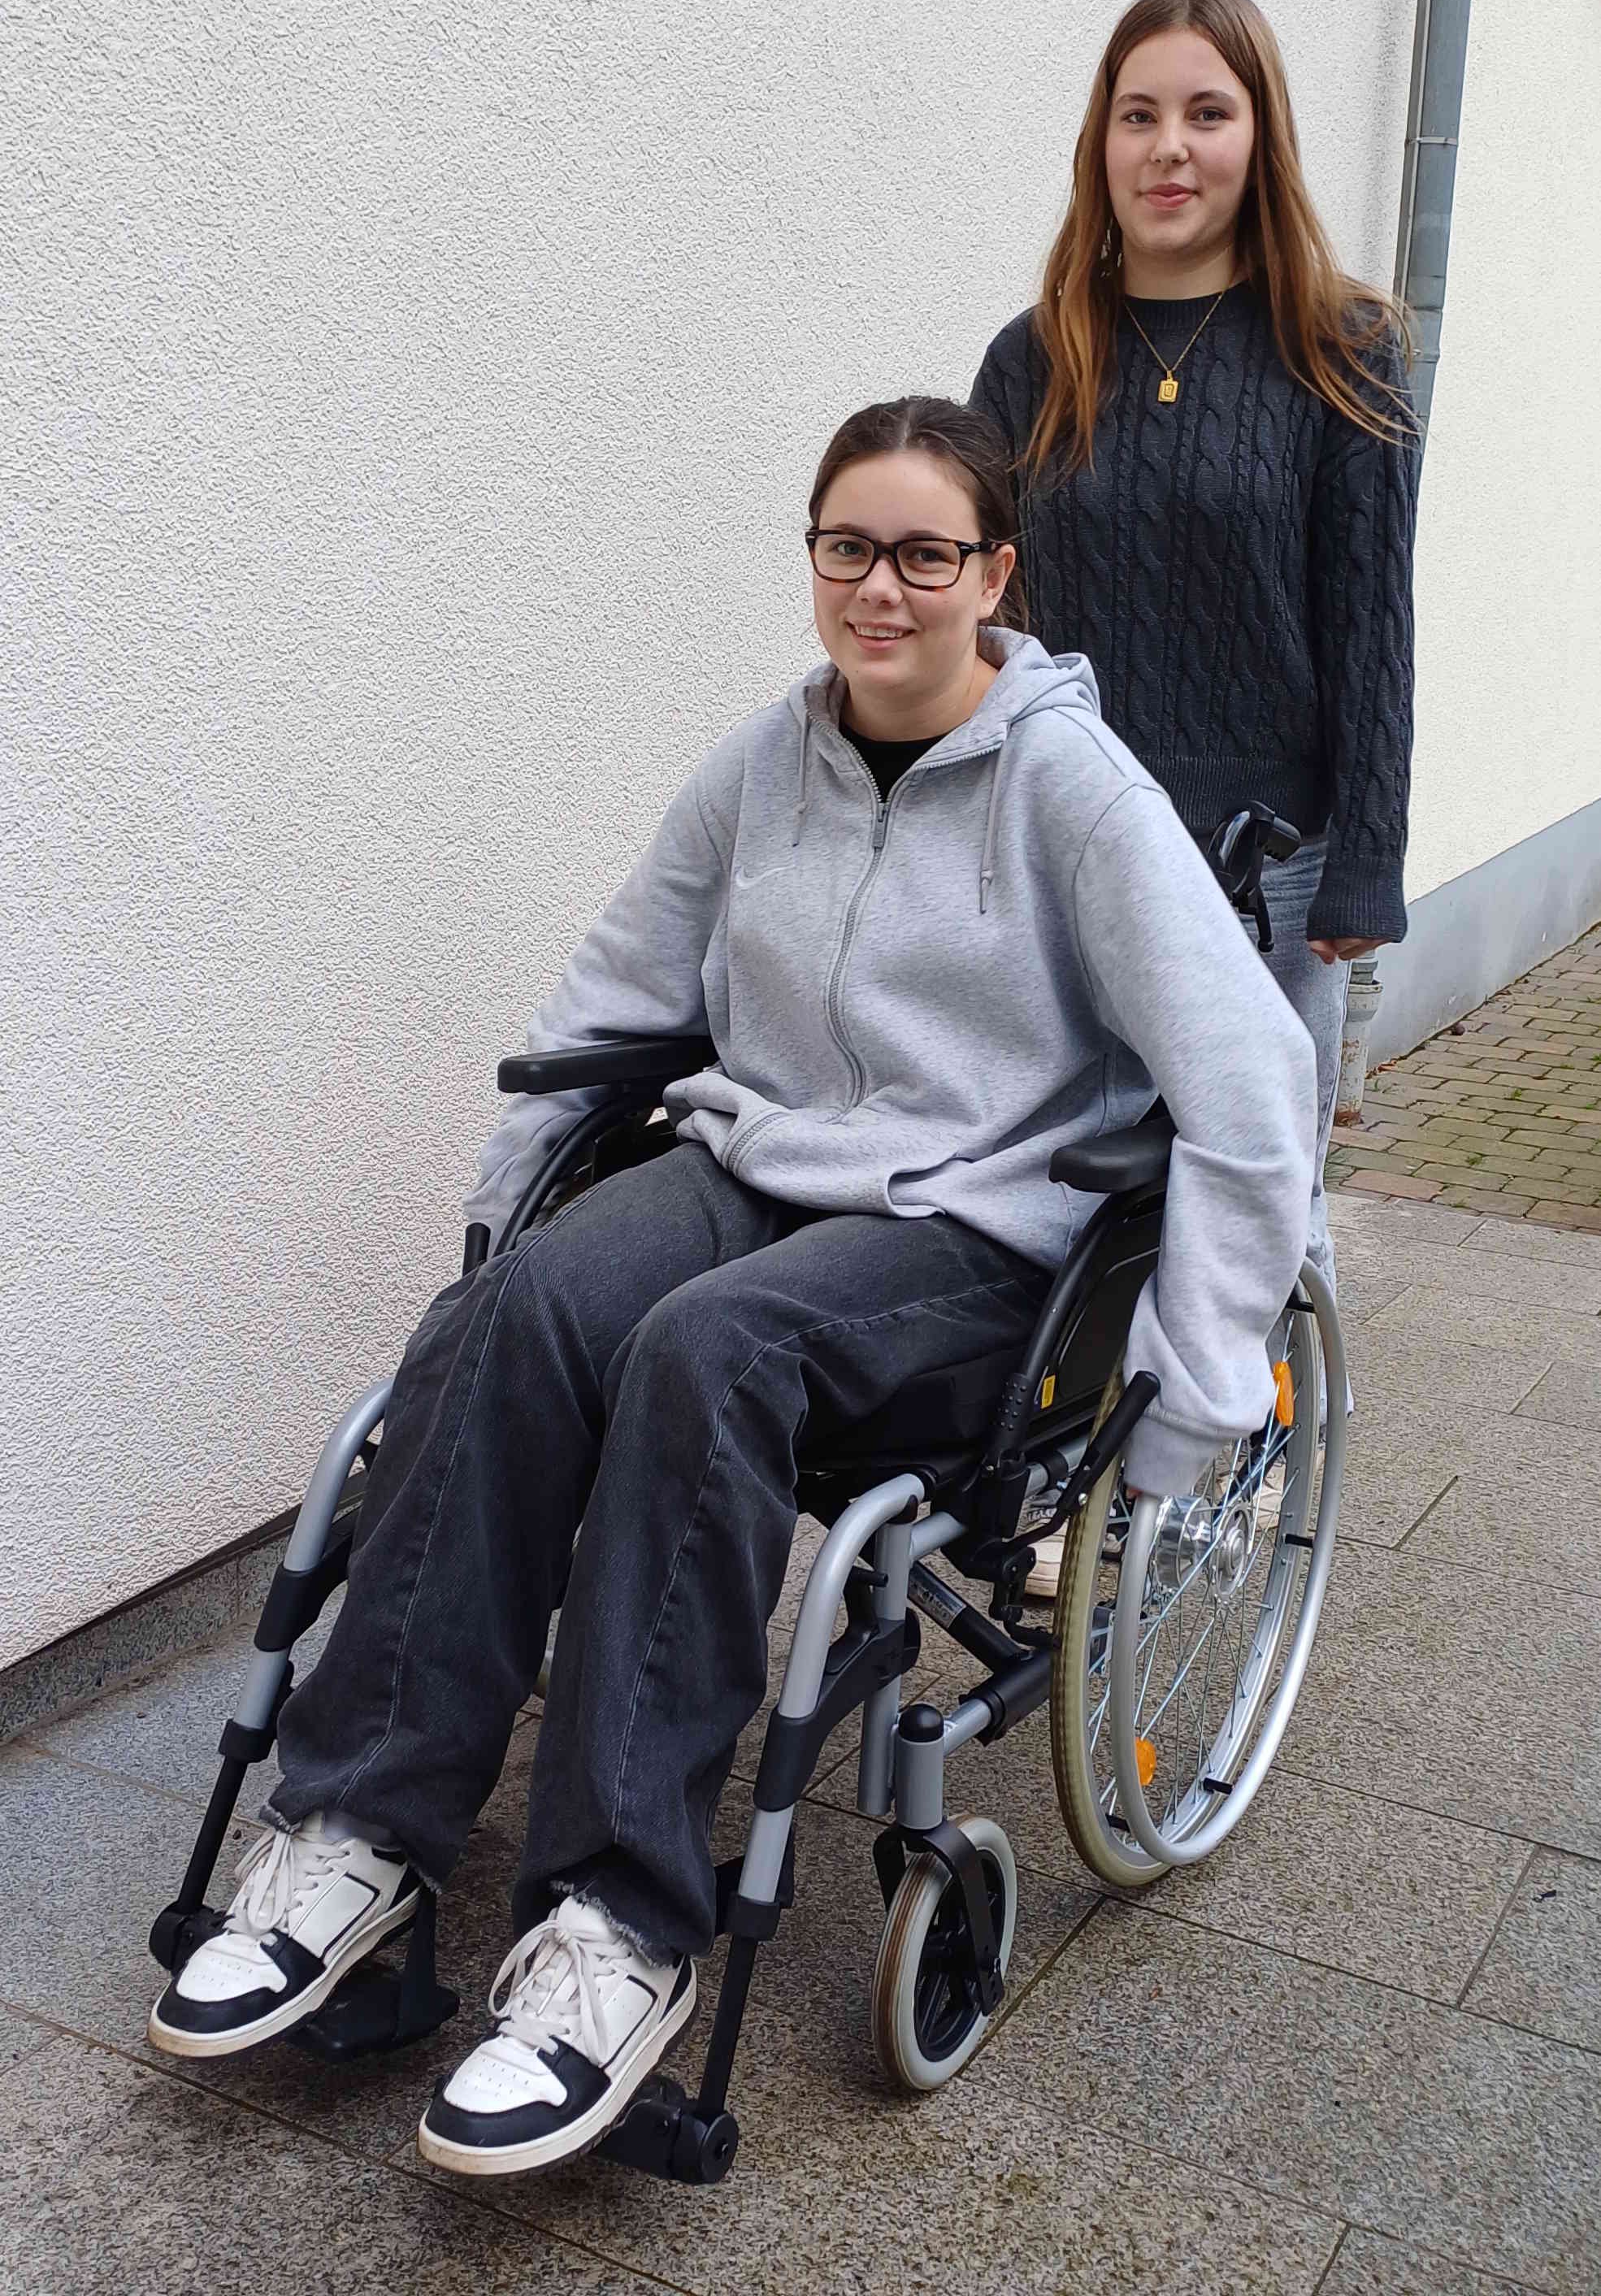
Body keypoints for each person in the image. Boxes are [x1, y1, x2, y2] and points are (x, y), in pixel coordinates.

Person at [147, 396, 1313, 2178]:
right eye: (848, 546)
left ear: (994, 573)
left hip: (970, 1227)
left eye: (925, 553)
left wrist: (1195, 1392)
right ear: (813, 558)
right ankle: (355, 1833)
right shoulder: (764, 762)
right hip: (755, 1162)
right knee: (522, 1310)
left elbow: (1248, 1086)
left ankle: (615, 1928)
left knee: (709, 1350)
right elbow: (608, 996)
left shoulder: (1073, 792)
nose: (880, 587)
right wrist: (507, 1211)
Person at [970, 0, 1420, 1317]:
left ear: (1258, 133)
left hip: (1266, 863)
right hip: (1073, 846)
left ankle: (1265, 1429)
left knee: (1256, 1202)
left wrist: (1367, 865)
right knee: (1056, 1184)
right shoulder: (1031, 361)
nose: (1169, 148)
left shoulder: (1343, 350)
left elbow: (1371, 624)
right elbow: (988, 619)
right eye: (1138, 115)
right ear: (1099, 142)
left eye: (1206, 113)